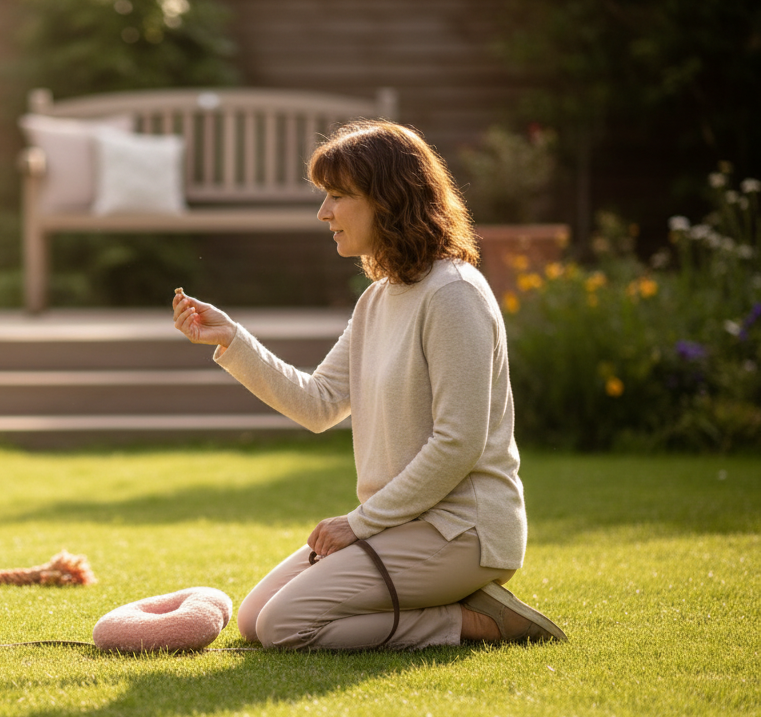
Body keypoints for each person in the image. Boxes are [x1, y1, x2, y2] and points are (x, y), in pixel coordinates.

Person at [171, 120, 566, 650]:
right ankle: (450, 605)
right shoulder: (378, 298)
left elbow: (459, 441)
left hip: (462, 531)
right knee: (254, 618)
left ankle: (473, 621)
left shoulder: (454, 294)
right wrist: (232, 340)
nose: (324, 212)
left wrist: (360, 523)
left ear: (389, 200)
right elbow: (319, 404)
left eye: (338, 196)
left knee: (284, 626)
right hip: (398, 527)